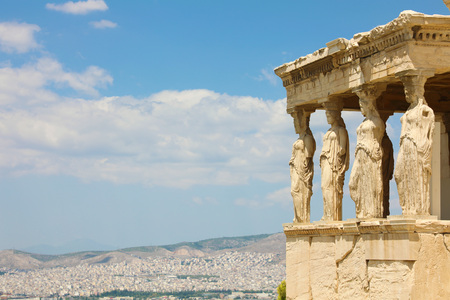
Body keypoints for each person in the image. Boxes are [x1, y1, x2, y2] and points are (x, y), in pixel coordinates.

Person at [395, 76, 435, 215]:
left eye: (409, 91)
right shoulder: (408, 111)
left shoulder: (425, 110)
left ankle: (418, 210)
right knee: (399, 175)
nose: (406, 93)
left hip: (416, 145)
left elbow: (430, 132)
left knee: (416, 176)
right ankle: (408, 208)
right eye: (406, 90)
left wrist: (424, 148)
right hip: (405, 145)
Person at [349, 99, 385, 218]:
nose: (361, 108)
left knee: (370, 183)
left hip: (370, 155)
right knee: (353, 184)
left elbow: (379, 140)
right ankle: (362, 210)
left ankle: (371, 212)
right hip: (360, 155)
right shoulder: (364, 122)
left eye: (363, 105)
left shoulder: (377, 122)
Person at [320, 108, 349, 221]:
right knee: (324, 187)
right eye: (326, 115)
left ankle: (333, 216)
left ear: (336, 116)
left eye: (329, 115)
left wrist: (334, 153)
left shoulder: (341, 131)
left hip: (334, 162)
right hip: (325, 162)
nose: (327, 117)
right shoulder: (328, 131)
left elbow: (342, 149)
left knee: (331, 187)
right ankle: (327, 213)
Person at [289, 110, 316, 223]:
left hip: (302, 170)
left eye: (297, 122)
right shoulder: (299, 139)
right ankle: (298, 217)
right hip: (295, 168)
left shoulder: (307, 138)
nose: (295, 125)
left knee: (300, 191)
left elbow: (309, 155)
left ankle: (303, 217)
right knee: (294, 191)